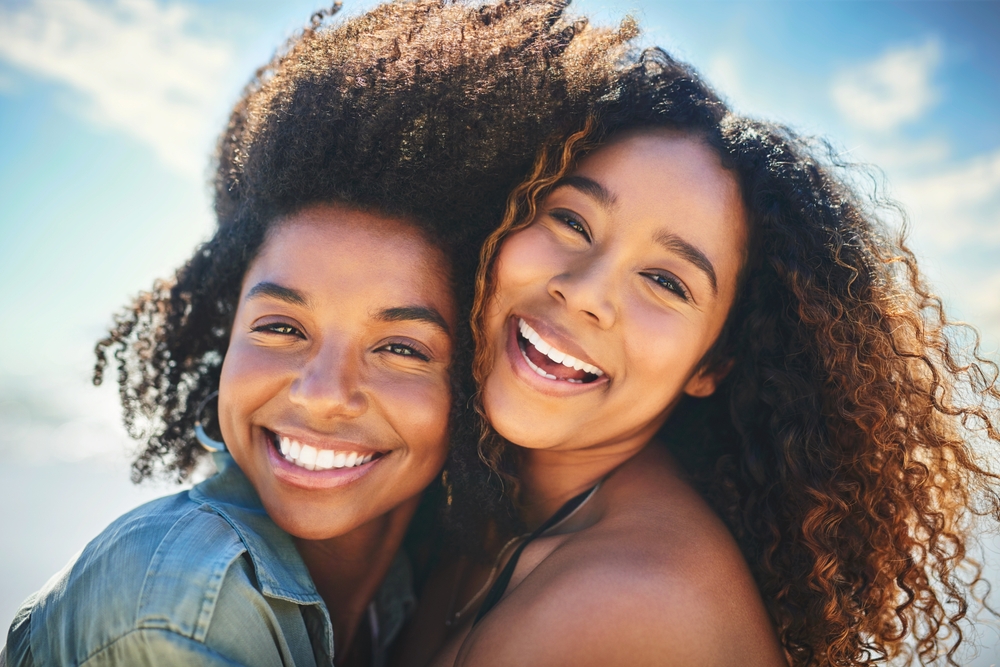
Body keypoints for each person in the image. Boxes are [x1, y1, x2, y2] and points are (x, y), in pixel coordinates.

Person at [2, 2, 633, 665]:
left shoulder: (424, 575)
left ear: (475, 380)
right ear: (227, 323)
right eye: (281, 327)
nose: (323, 393)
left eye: (400, 348)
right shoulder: (181, 608)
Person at [397, 28, 1000, 667]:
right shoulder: (485, 501)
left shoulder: (626, 602)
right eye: (571, 221)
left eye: (665, 282)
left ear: (713, 364)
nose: (586, 294)